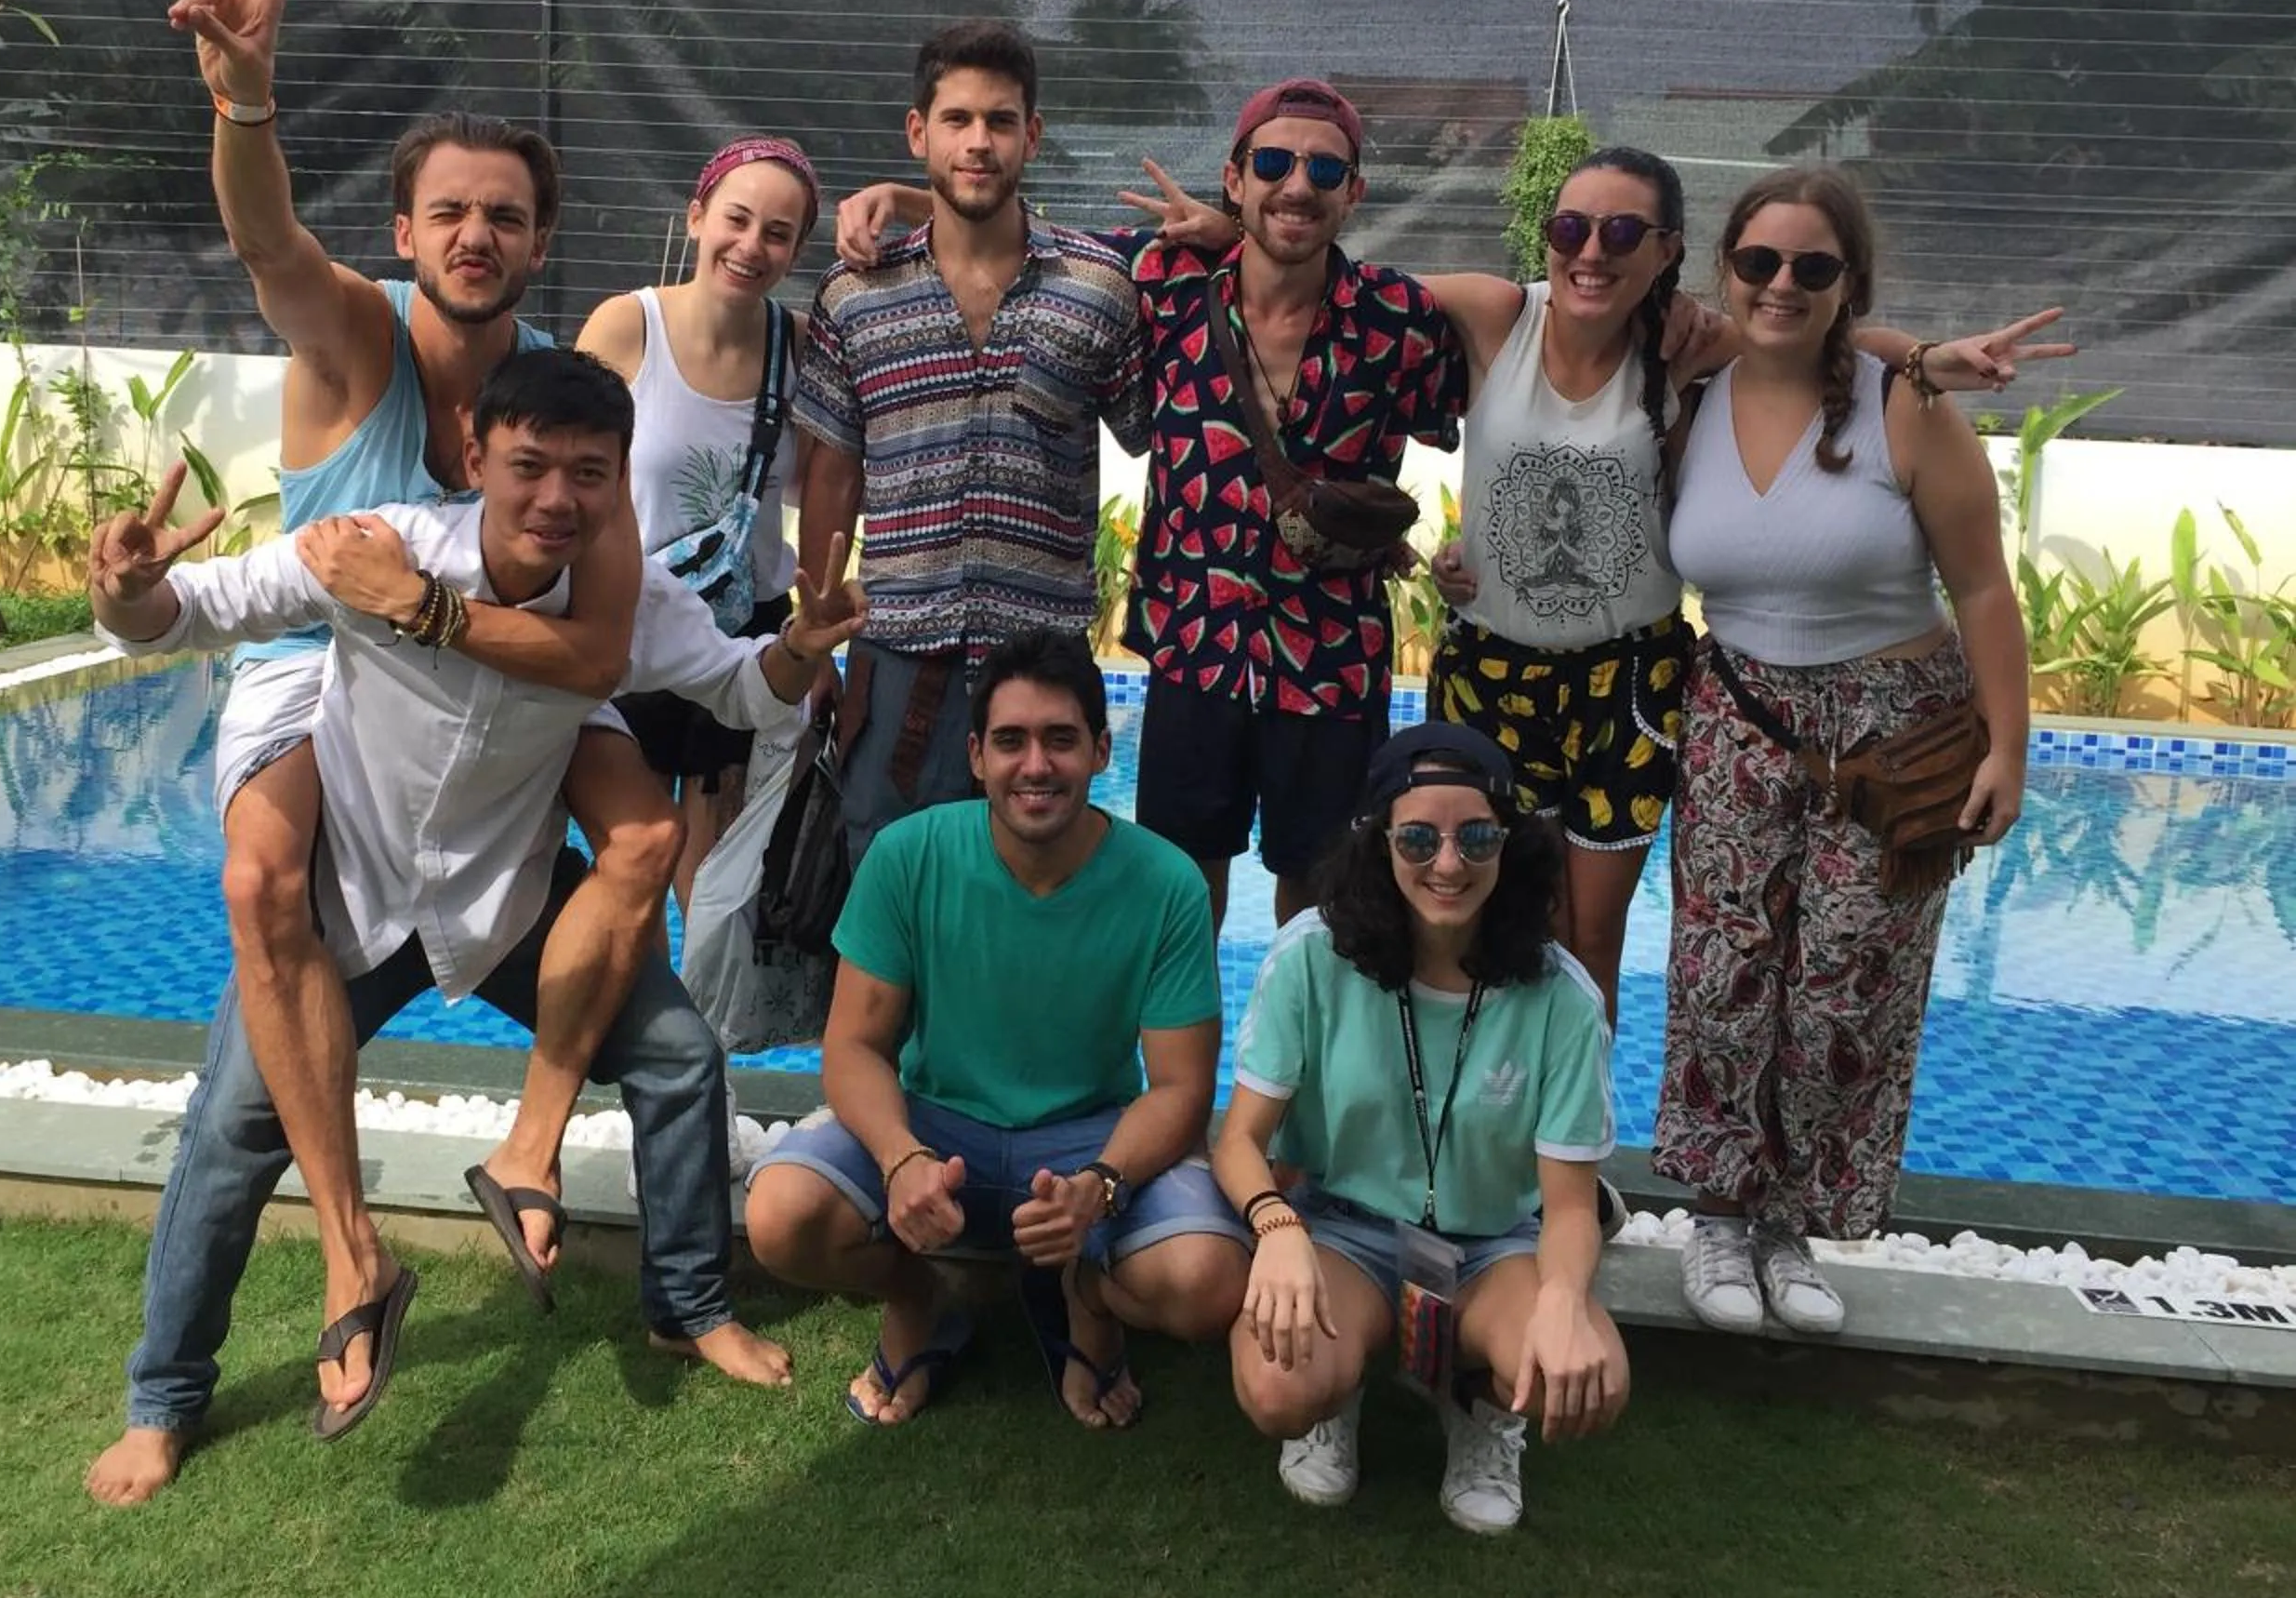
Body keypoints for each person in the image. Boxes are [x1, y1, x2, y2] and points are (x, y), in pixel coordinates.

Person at [82, 351, 867, 1503]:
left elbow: (741, 689)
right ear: (478, 455)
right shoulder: (378, 549)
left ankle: (688, 1307)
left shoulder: (633, 605)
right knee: (234, 1125)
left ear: (617, 482)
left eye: (588, 474)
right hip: (351, 901)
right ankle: (163, 1399)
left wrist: (801, 648)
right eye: (531, 465)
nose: (558, 497)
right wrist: (129, 590)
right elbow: (192, 614)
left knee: (680, 1061)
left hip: (507, 900)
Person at [146, 0, 711, 1472]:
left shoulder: (560, 419)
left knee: (664, 989)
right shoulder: (353, 339)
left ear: (541, 239)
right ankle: (202, 1367)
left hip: (508, 700)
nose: (475, 235)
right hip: (324, 683)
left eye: (506, 216)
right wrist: (249, 100)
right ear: (406, 236)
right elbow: (264, 233)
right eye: (447, 212)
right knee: (262, 914)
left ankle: (673, 1285)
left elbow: (603, 643)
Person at [1114, 142, 2063, 1013]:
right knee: (1467, 923)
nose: (1592, 253)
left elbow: (1825, 338)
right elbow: (1338, 278)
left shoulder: (1693, 348)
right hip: (1489, 675)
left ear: (1668, 250)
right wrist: (1238, 229)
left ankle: (1569, 1160)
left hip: (1632, 684)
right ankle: (1469, 1140)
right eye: (1571, 228)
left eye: (1622, 234)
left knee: (1588, 942)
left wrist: (1925, 358)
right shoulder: (1498, 315)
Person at [834, 78, 1465, 931]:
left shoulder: (1404, 320)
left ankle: (1293, 1067)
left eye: (1325, 170)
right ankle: (1184, 1067)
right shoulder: (1159, 280)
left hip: (1333, 656)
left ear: (1355, 190)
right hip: (1195, 647)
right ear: (1234, 179)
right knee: (1174, 893)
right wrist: (898, 194)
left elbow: (1496, 385)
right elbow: (1004, 223)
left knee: (1324, 900)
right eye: (1273, 163)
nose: (1298, 185)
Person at [1656, 166, 2029, 1338]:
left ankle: (1792, 1223)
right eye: (1759, 261)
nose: (1781, 285)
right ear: (1725, 269)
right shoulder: (1691, 384)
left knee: (1849, 983)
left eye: (1813, 267)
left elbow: (1983, 588)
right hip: (1738, 722)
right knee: (1723, 970)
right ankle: (1719, 1211)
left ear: (1848, 283)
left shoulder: (1902, 403)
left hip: (1895, 731)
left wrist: (2009, 749)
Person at [743, 629, 1251, 1430]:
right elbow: (853, 1048)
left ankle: (1086, 1295)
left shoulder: (1166, 884)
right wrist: (901, 1157)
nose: (1036, 765)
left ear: (1102, 750)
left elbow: (1184, 1088)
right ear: (976, 756)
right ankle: (920, 1300)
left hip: (1089, 1143)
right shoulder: (910, 856)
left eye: (1060, 740)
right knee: (780, 1215)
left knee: (1209, 1280)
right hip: (938, 1133)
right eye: (1010, 741)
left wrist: (1105, 1183)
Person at [1212, 723, 1628, 1537]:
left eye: (1477, 836)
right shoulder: (1311, 958)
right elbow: (1236, 1141)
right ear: (1378, 840)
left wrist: (1563, 1298)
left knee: (1590, 1376)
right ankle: (1342, 1388)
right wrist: (1278, 1227)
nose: (1448, 863)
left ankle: (1480, 1407)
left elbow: (1570, 1207)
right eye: (1417, 837)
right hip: (1346, 1229)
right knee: (1278, 1388)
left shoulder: (1562, 998)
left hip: (1492, 1243)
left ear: (1510, 841)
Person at [791, 20, 1148, 865]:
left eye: (1000, 120)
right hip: (899, 645)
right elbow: (833, 470)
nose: (978, 142)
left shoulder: (1098, 289)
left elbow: (1155, 440)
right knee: (887, 883)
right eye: (957, 120)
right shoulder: (855, 294)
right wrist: (815, 637)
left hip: (1043, 656)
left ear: (1033, 133)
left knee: (1039, 889)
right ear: (919, 133)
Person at [575, 137, 818, 911]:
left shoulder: (800, 347)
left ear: (796, 249)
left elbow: (815, 489)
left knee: (715, 878)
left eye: (777, 233)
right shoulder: (627, 327)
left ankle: (703, 1028)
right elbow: (566, 470)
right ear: (696, 217)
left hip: (744, 636)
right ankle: (637, 1026)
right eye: (736, 220)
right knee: (634, 863)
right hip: (634, 627)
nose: (751, 247)